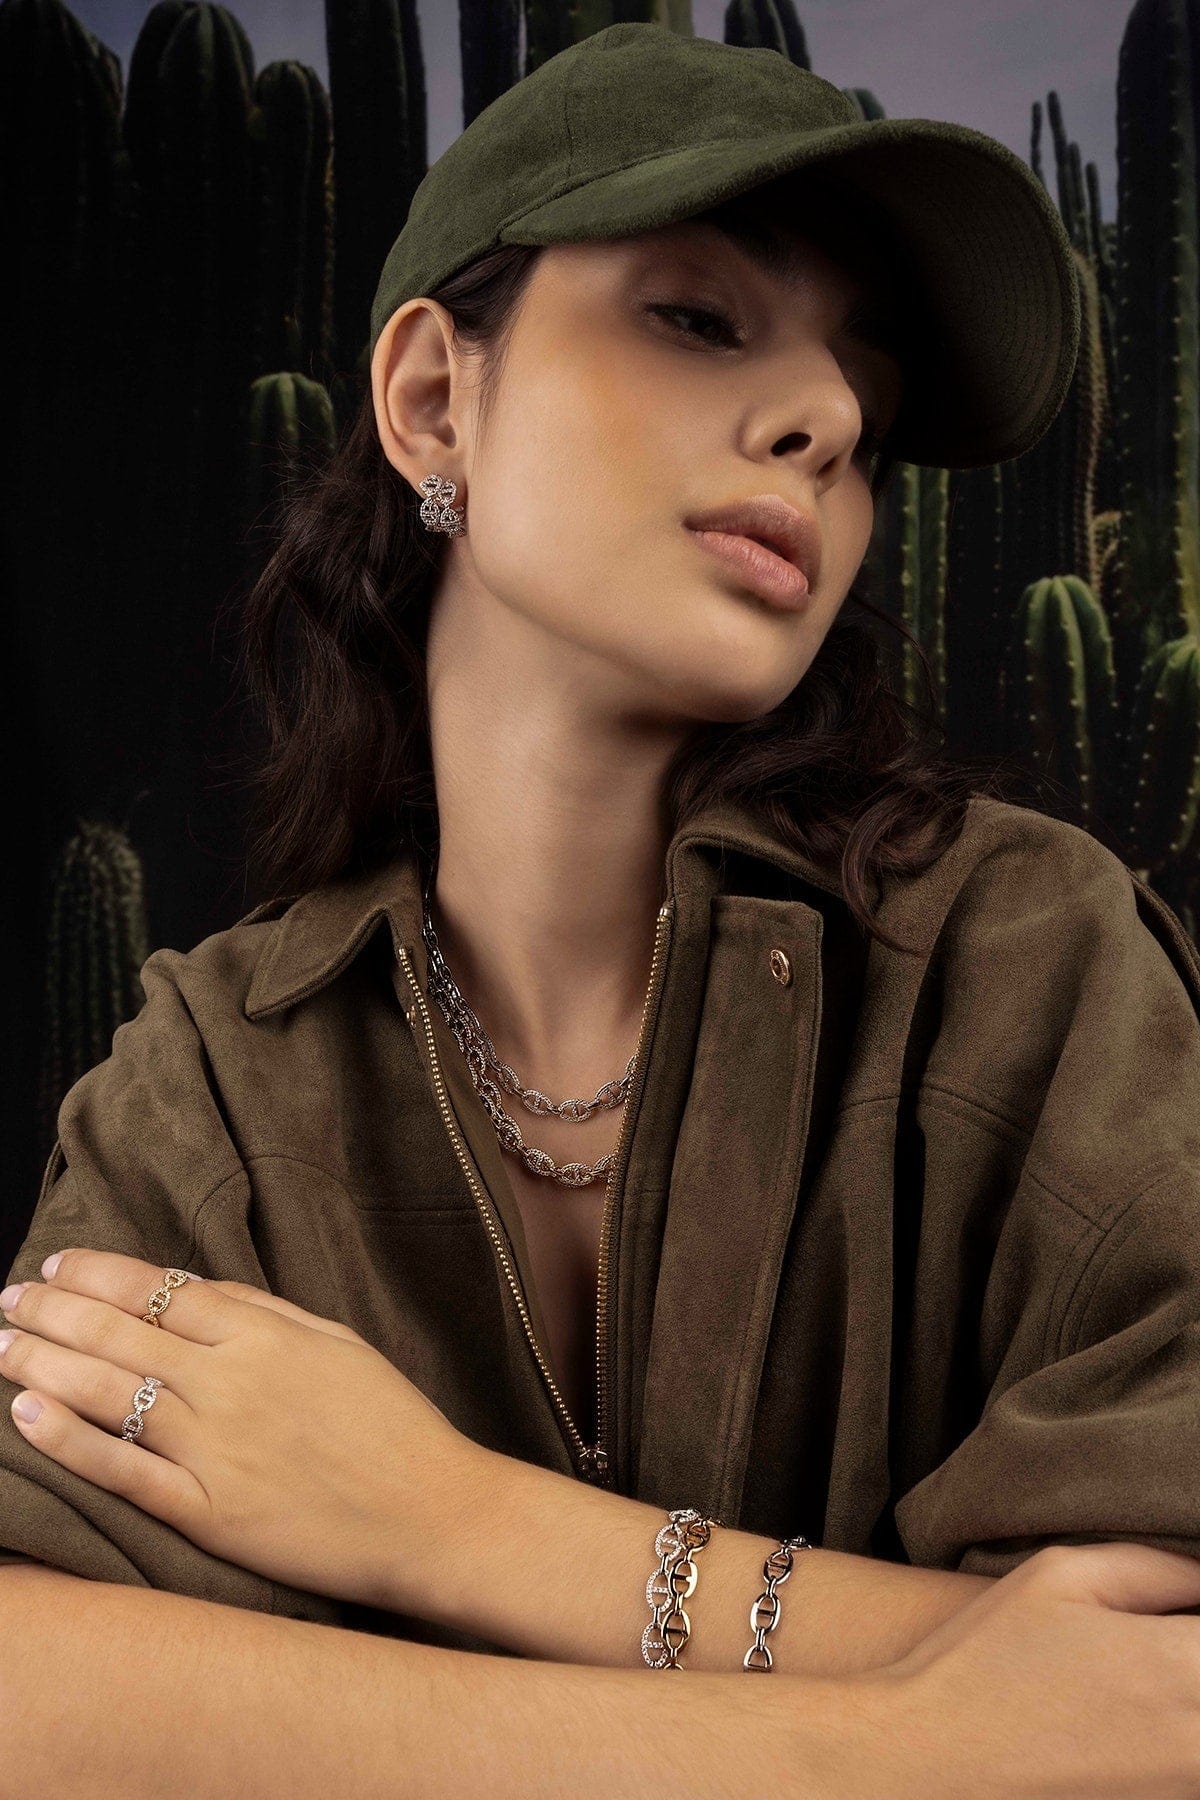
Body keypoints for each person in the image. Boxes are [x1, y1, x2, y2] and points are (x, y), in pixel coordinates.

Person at [3, 22, 1200, 1795]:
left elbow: (1169, 1684)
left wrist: (442, 1523)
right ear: (433, 399)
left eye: (862, 401)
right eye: (700, 317)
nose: (831, 420)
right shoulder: (216, 1081)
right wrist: (912, 1741)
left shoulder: (1022, 965)